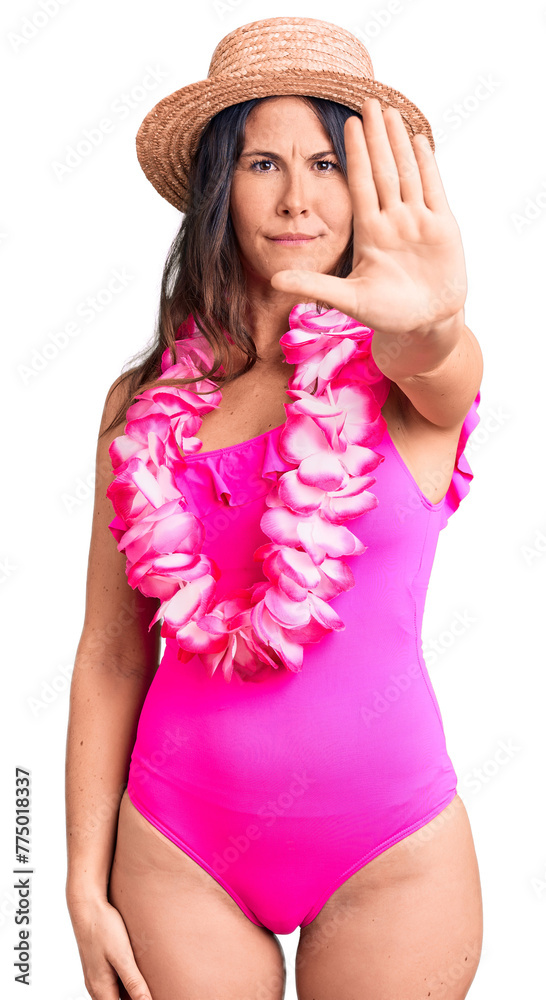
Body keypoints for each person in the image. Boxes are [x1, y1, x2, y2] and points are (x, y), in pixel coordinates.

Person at [65, 15, 484, 1000]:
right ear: (220, 185)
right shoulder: (142, 406)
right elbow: (112, 652)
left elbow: (443, 363)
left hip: (391, 853)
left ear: (366, 185)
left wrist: (431, 322)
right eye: (264, 163)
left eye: (328, 164)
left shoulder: (404, 375)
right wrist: (78, 884)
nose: (298, 196)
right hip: (179, 849)